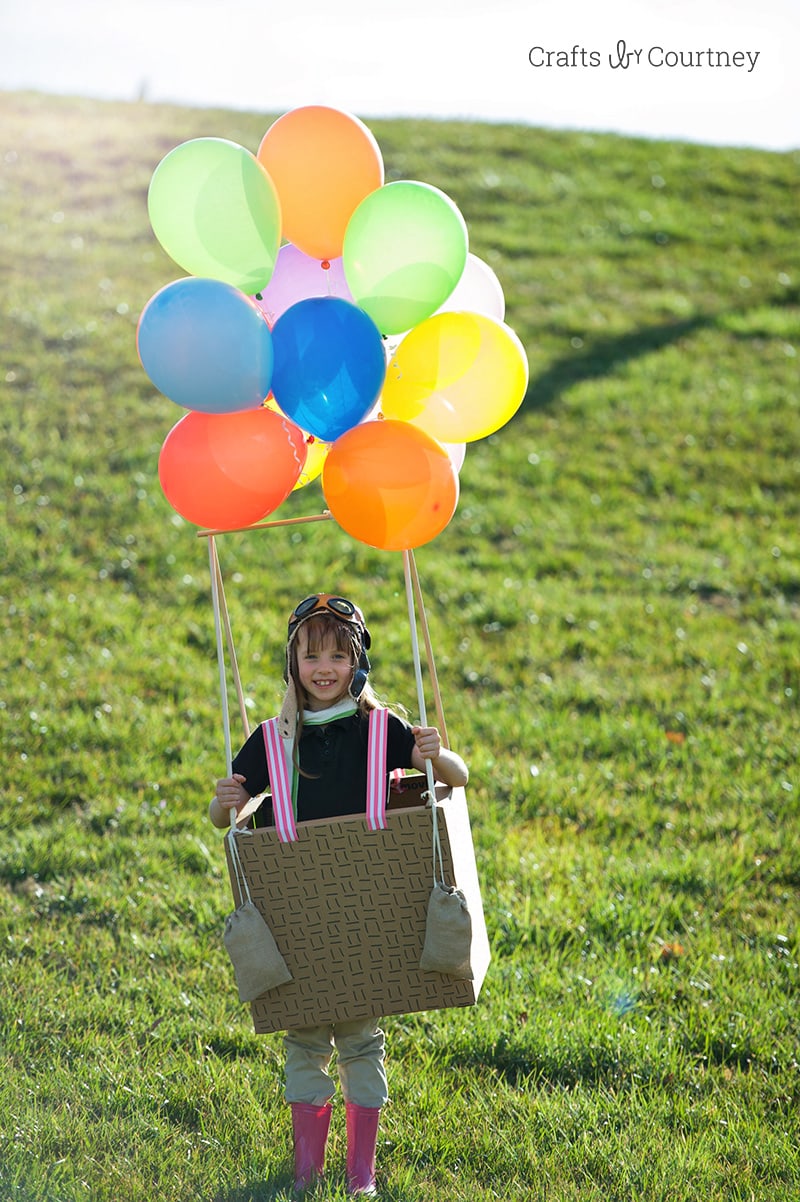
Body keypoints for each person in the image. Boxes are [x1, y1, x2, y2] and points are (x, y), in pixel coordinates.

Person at [210, 593, 468, 1196]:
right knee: (304, 1039)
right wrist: (223, 804)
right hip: (298, 915)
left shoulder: (382, 728)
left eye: (337, 654)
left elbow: (456, 778)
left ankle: (360, 1174)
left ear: (359, 663)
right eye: (310, 655)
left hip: (369, 913)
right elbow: (225, 821)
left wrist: (440, 754)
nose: (323, 667)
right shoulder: (272, 738)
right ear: (291, 664)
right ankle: (305, 1171)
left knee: (359, 1039)